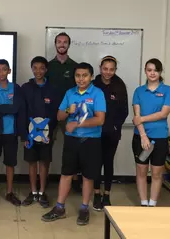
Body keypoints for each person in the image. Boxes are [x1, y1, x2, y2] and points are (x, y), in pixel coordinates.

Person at [41, 62, 106, 226]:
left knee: (88, 176)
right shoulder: (70, 93)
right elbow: (59, 116)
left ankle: (84, 208)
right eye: (78, 75)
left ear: (91, 77)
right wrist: (70, 110)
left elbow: (100, 119)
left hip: (91, 141)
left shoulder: (97, 93)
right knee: (66, 173)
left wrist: (78, 124)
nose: (81, 79)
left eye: (84, 75)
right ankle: (59, 207)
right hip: (71, 140)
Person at [132, 58, 170, 207]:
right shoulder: (138, 91)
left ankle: (152, 204)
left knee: (156, 173)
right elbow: (136, 118)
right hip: (141, 138)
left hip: (160, 138)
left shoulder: (168, 90)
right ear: (145, 71)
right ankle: (144, 203)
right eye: (149, 70)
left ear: (160, 72)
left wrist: (142, 118)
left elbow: (163, 114)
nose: (152, 73)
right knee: (142, 172)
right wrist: (143, 135)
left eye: (155, 70)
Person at [0, 59, 25, 208]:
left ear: (9, 71)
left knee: (10, 163)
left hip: (11, 132)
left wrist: (1, 108)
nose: (1, 72)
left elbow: (16, 109)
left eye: (4, 69)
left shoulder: (16, 88)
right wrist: (8, 108)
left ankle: (9, 192)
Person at [21, 56, 60, 208]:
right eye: (35, 68)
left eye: (41, 68)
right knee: (31, 163)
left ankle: (42, 192)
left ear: (46, 70)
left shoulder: (53, 89)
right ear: (32, 69)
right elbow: (22, 112)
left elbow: (56, 113)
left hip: (46, 135)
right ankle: (33, 192)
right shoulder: (25, 88)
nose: (38, 71)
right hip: (30, 134)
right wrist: (25, 135)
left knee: (44, 162)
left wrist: (49, 133)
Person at [92, 56, 128, 210]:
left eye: (111, 69)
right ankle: (96, 194)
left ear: (115, 70)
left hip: (112, 132)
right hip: (94, 131)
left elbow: (124, 111)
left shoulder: (119, 85)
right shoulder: (93, 84)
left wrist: (115, 126)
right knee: (95, 163)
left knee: (108, 162)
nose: (108, 72)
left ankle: (106, 194)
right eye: (105, 69)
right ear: (100, 68)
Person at [46, 32, 81, 192]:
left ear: (69, 45)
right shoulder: (48, 66)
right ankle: (43, 181)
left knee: (72, 146)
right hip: (50, 113)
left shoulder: (75, 66)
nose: (62, 44)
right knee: (46, 146)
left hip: (69, 113)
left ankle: (74, 180)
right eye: (59, 41)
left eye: (65, 42)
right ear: (55, 44)